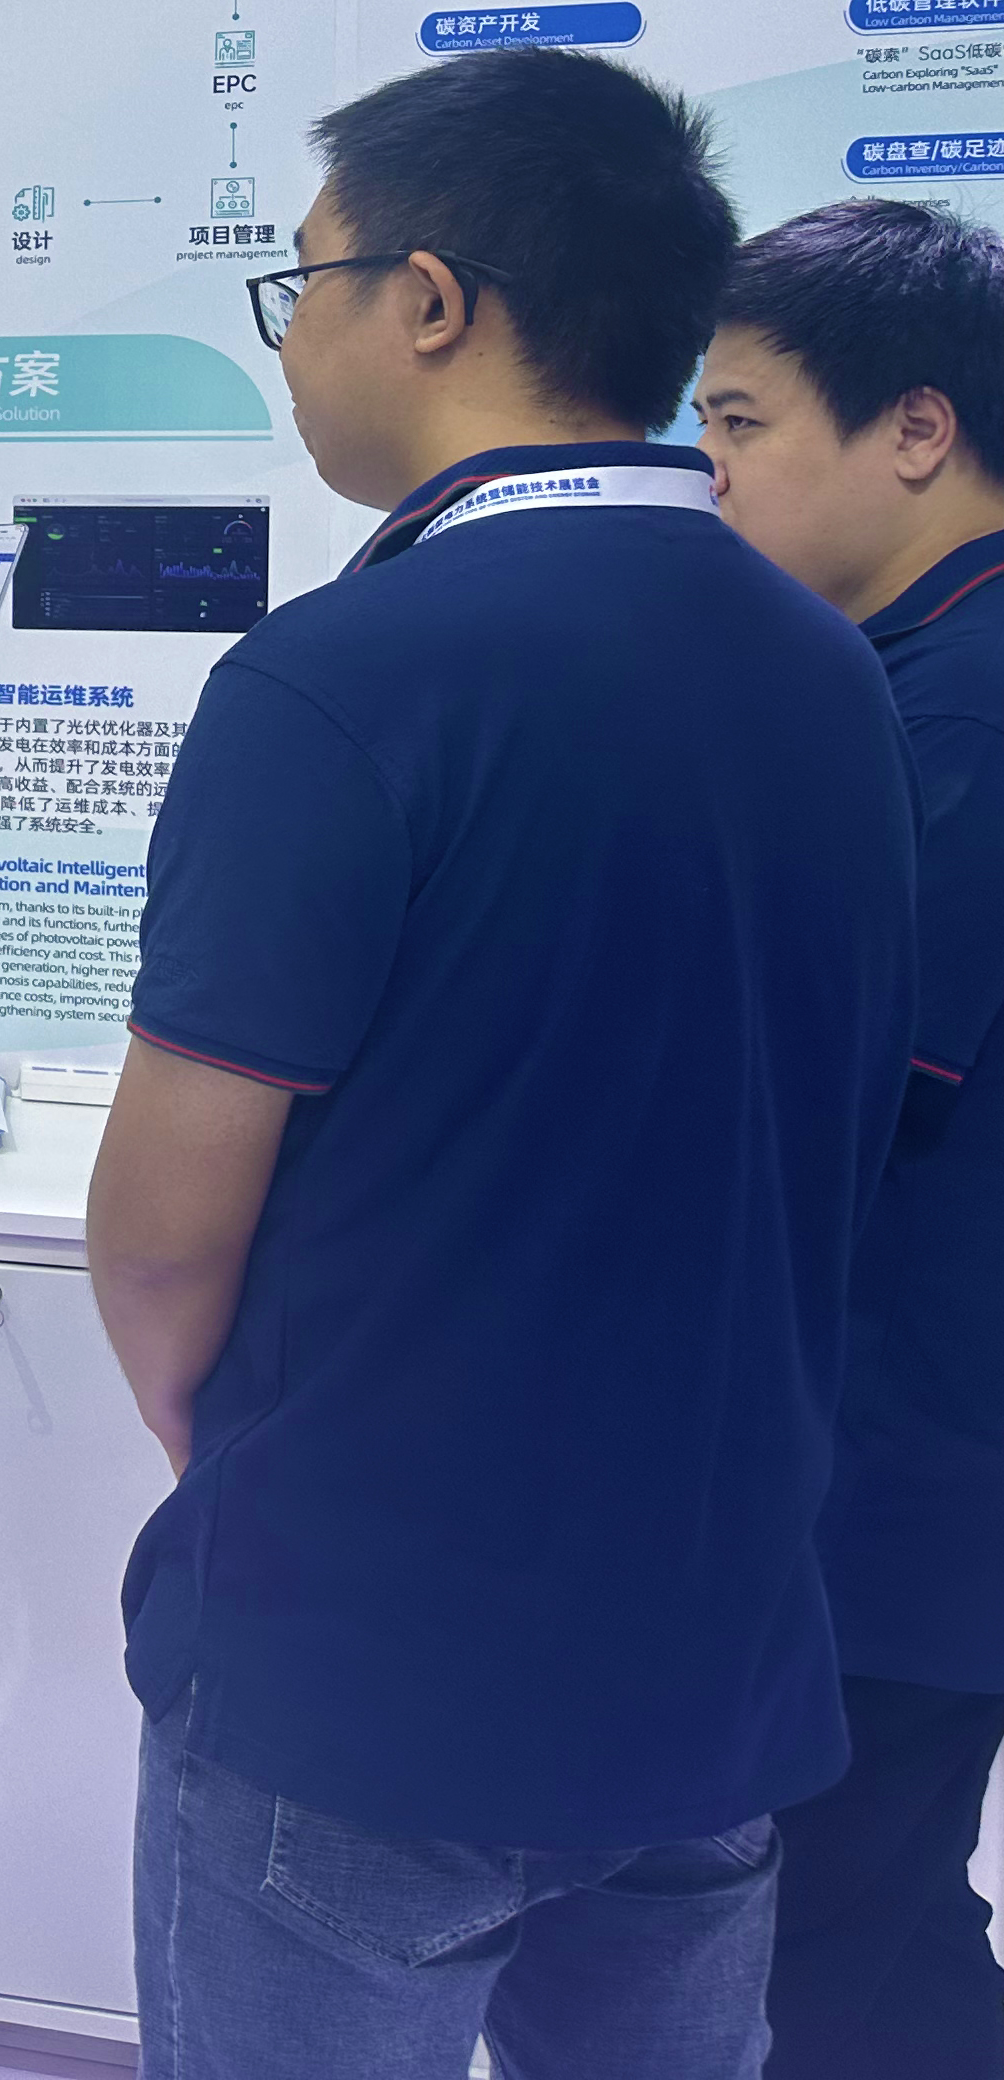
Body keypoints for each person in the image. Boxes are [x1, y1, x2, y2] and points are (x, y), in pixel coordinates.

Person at [88, 48, 917, 2080]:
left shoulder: (342, 676)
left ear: (431, 301)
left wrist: (239, 1446)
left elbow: (167, 1232)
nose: (293, 343)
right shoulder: (831, 669)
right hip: (707, 1650)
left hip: (367, 1671)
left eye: (304, 286)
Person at [697, 197, 1004, 2077]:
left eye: (739, 421)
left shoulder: (952, 704)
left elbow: (851, 1090)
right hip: (919, 1465)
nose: (711, 471)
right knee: (888, 1927)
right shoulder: (907, 673)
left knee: (807, 1960)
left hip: (906, 1477)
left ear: (915, 426)